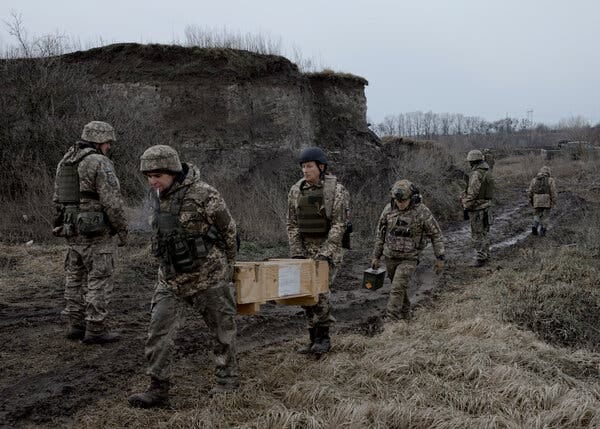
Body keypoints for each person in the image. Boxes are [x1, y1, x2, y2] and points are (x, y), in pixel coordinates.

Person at [128, 145, 239, 408]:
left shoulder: (204, 193)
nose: (152, 181)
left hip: (208, 278)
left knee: (222, 332)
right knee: (158, 332)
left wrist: (227, 268)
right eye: (148, 176)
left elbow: (229, 231)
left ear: (173, 172)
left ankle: (226, 381)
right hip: (170, 280)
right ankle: (157, 388)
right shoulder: (157, 196)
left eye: (157, 175)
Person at [52, 121, 127, 344]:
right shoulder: (99, 162)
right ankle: (95, 328)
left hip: (71, 227)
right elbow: (112, 202)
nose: (109, 146)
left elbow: (58, 198)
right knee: (99, 278)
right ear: (99, 141)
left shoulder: (65, 161)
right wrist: (121, 229)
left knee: (74, 277)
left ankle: (75, 325)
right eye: (108, 142)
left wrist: (61, 223)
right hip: (96, 231)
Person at [287, 147, 350, 355]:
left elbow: (339, 225)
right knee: (306, 295)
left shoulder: (336, 191)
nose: (306, 170)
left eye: (310, 166)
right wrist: (297, 252)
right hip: (305, 250)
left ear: (321, 167)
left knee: (320, 294)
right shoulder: (296, 191)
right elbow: (292, 225)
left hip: (328, 250)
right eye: (303, 166)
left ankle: (324, 338)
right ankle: (313, 338)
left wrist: (326, 253)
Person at [371, 180, 445, 321]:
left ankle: (390, 322)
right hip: (390, 256)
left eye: (403, 201)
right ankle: (406, 316)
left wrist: (440, 257)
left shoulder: (422, 212)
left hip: (409, 258)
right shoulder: (388, 209)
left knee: (397, 289)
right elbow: (380, 234)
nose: (400, 204)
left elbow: (436, 234)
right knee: (399, 288)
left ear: (412, 198)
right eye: (397, 201)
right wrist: (376, 256)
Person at [460, 149, 494, 267]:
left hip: (478, 209)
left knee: (477, 235)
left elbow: (473, 193)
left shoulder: (476, 174)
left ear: (473, 161)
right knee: (485, 233)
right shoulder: (487, 171)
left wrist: (466, 206)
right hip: (487, 207)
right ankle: (486, 255)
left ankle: (481, 258)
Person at [527, 166, 557, 236]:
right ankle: (543, 230)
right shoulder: (550, 180)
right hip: (546, 200)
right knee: (546, 216)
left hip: (536, 200)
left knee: (537, 214)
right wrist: (554, 201)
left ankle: (534, 226)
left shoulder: (534, 180)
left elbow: (530, 191)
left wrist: (531, 200)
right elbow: (553, 192)